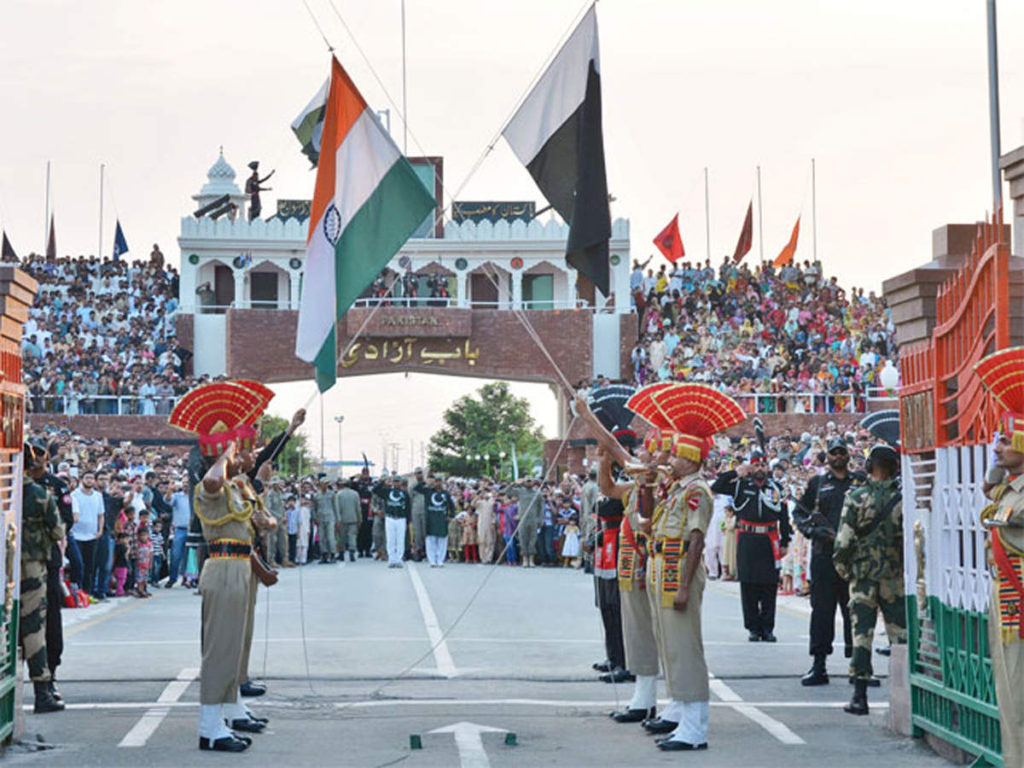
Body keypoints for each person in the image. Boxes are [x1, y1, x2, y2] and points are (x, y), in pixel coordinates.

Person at [638, 384, 746, 752]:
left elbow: (696, 540)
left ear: (691, 458)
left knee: (686, 647)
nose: (670, 459)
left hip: (679, 569)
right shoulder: (678, 487)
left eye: (676, 456)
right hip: (663, 567)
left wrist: (684, 586)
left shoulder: (696, 490)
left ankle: (696, 727)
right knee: (670, 645)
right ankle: (682, 714)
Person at [973, 350, 1024, 765]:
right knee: (1008, 690)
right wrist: (997, 461)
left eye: (1006, 440)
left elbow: (1006, 515)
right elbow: (989, 497)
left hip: (1019, 594)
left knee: (1019, 690)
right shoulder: (1010, 485)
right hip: (1004, 589)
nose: (998, 447)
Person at [833, 442, 904, 717]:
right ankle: (906, 696)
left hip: (863, 576)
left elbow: (844, 540)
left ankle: (859, 696)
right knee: (901, 636)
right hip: (894, 575)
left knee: (862, 634)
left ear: (871, 466)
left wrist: (844, 569)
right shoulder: (901, 499)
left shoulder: (856, 497)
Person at [792, 436, 855, 685]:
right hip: (824, 556)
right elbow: (800, 514)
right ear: (827, 457)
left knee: (856, 611)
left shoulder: (858, 482)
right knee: (822, 612)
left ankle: (860, 665)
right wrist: (813, 532)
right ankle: (819, 665)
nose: (838, 456)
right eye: (833, 453)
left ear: (848, 455)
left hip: (852, 557)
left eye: (842, 452)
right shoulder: (817, 484)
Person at [711, 450, 792, 642]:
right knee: (748, 585)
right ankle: (753, 627)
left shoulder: (776, 489)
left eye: (763, 465)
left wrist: (785, 541)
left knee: (769, 585)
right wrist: (736, 473)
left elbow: (783, 516)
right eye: (756, 465)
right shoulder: (741, 485)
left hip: (769, 539)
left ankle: (768, 627)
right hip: (748, 538)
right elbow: (717, 485)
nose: (760, 469)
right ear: (751, 467)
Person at [20, 441, 66, 713]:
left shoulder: (7, 491)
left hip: (8, 565)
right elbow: (58, 531)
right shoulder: (40, 494)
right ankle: (42, 690)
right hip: (34, 567)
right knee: (34, 628)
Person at [70, 470, 105, 599]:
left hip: (92, 536)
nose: (89, 480)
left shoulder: (98, 496)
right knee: (79, 565)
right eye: (87, 477)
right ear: (81, 479)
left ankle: (88, 593)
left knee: (91, 566)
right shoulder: (75, 495)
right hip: (77, 535)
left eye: (91, 478)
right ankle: (77, 593)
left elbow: (101, 515)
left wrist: (100, 530)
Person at [414, 474, 455, 566]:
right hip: (430, 519)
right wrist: (425, 482)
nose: (438, 483)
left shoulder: (445, 494)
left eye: (440, 481)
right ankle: (432, 560)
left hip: (442, 519)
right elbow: (416, 488)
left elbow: (451, 506)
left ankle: (440, 560)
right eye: (436, 481)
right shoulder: (428, 491)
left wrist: (451, 516)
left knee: (442, 540)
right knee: (431, 540)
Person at [373, 474, 411, 567]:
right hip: (390, 517)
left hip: (401, 518)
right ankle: (391, 559)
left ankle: (398, 559)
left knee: (400, 540)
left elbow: (408, 508)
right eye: (394, 481)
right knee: (390, 539)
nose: (396, 483)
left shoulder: (404, 493)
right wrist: (383, 482)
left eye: (398, 481)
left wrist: (408, 521)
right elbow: (375, 490)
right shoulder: (387, 491)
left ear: (400, 482)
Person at [509, 478, 542, 567]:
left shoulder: (537, 494)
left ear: (533, 482)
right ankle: (525, 559)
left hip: (533, 519)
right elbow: (507, 492)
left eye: (530, 481)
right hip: (523, 519)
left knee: (532, 540)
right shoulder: (520, 492)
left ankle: (531, 559)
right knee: (523, 539)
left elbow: (541, 508)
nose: (528, 482)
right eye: (527, 481)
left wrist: (540, 519)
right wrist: (514, 483)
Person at [314, 479, 339, 564]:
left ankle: (332, 554)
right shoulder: (317, 495)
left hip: (330, 517)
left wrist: (337, 519)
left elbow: (335, 507)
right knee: (321, 537)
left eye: (326, 484)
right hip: (320, 518)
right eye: (323, 484)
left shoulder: (332, 494)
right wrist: (315, 518)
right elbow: (314, 507)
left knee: (330, 537)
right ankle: (324, 554)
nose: (324, 486)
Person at [336, 480, 361, 563]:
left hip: (342, 518)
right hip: (353, 518)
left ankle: (342, 553)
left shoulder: (339, 494)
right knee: (352, 536)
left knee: (342, 537)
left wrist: (337, 519)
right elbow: (358, 508)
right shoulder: (355, 494)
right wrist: (359, 519)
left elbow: (337, 508)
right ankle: (352, 552)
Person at [410, 467, 427, 561]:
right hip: (416, 511)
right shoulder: (412, 486)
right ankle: (419, 551)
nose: (419, 475)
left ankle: (426, 550)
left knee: (425, 531)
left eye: (420, 473)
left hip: (425, 511)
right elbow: (410, 499)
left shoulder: (426, 485)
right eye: (417, 473)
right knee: (417, 532)